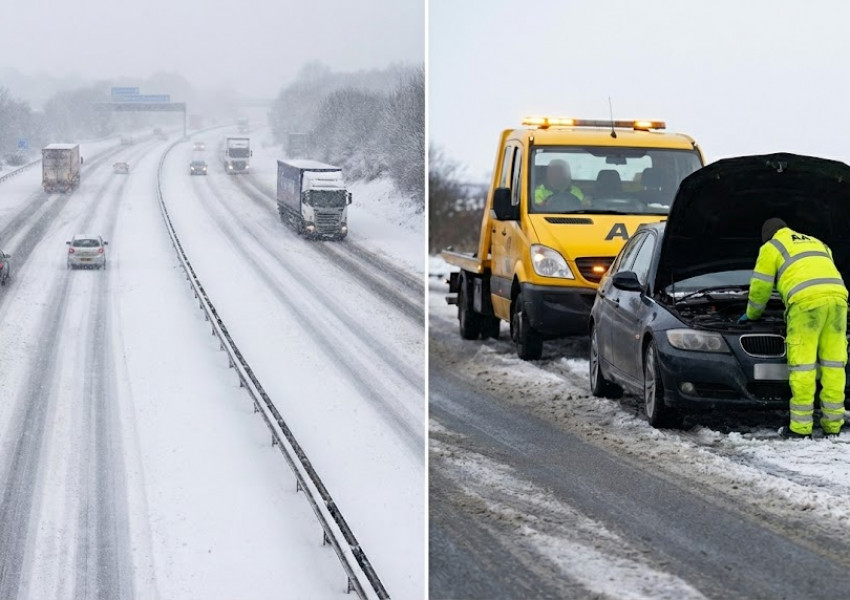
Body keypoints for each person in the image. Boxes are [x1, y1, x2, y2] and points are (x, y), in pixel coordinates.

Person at [740, 218, 848, 439]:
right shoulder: (817, 242)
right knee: (834, 364)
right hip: (838, 300)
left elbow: (761, 287)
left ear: (767, 235)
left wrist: (752, 315)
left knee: (803, 367)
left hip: (806, 304)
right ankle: (833, 426)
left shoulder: (772, 247)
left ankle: (800, 429)